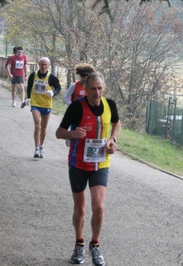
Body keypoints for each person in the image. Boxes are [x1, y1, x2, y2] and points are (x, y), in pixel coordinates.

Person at [55, 72, 121, 266]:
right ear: (87, 88)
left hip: (101, 163)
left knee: (99, 206)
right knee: (80, 208)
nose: (97, 92)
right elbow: (59, 133)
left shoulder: (110, 105)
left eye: (100, 88)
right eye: (93, 88)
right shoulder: (77, 107)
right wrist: (73, 133)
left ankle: (95, 245)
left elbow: (116, 122)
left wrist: (113, 139)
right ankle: (79, 244)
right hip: (78, 163)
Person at [25, 57, 61, 158]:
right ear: (39, 64)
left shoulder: (51, 77)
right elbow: (29, 86)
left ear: (49, 65)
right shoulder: (34, 75)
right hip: (35, 104)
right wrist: (28, 98)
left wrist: (53, 92)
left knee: (44, 128)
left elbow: (58, 87)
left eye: (45, 64)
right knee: (38, 125)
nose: (43, 66)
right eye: (42, 64)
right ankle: (36, 149)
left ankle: (41, 146)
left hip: (46, 104)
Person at [62, 63, 96, 146]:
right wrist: (72, 106)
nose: (84, 79)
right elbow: (65, 97)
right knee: (75, 132)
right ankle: (70, 138)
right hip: (76, 113)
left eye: (86, 77)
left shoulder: (93, 86)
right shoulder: (75, 85)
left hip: (88, 113)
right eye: (82, 77)